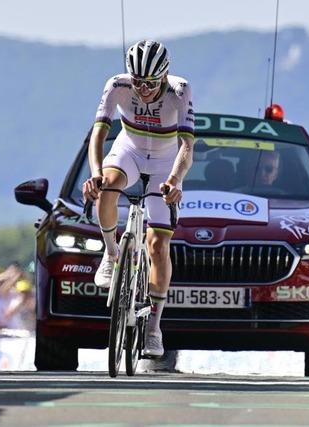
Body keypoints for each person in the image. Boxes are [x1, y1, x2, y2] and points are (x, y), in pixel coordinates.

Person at [82, 40, 195, 358]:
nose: (143, 90)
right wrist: (95, 173)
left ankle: (154, 328)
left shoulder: (180, 90)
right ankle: (111, 253)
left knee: (158, 246)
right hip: (129, 150)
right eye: (137, 82)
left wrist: (174, 180)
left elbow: (187, 146)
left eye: (151, 83)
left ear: (165, 76)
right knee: (108, 186)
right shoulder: (117, 85)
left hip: (164, 162)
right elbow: (98, 135)